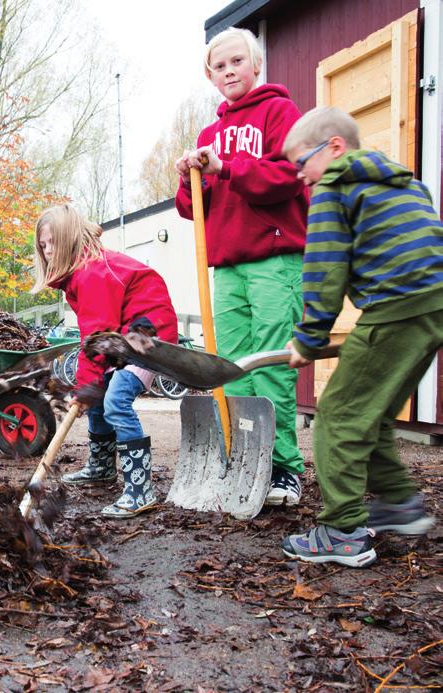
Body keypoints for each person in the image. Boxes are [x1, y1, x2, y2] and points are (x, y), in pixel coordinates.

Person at [280, 106, 441, 567]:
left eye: (300, 164)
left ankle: (342, 530)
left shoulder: (335, 186)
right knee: (370, 415)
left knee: (337, 416)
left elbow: (326, 270)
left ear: (333, 148)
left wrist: (308, 340)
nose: (301, 179)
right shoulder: (407, 184)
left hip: (395, 307)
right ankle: (398, 504)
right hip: (433, 309)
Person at [175, 27, 309, 508]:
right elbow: (193, 210)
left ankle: (285, 468)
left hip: (274, 261)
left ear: (255, 65)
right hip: (227, 266)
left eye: (237, 62)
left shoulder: (279, 112)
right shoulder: (208, 134)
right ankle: (248, 460)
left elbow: (288, 177)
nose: (229, 71)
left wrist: (226, 166)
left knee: (272, 363)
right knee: (232, 368)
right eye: (219, 66)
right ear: (210, 77)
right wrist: (190, 177)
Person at [31, 204, 178, 518]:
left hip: (148, 336)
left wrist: (85, 386)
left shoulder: (93, 272)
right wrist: (89, 388)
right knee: (97, 395)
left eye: (51, 243)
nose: (45, 252)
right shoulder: (81, 272)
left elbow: (97, 336)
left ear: (69, 239)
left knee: (115, 400)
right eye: (42, 246)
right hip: (123, 336)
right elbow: (99, 338)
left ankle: (140, 490)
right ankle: (101, 467)